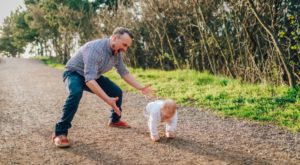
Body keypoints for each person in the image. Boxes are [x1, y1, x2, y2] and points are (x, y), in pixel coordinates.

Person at [52, 27, 154, 148]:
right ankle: (60, 133)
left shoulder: (116, 52)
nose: (125, 49)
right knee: (76, 93)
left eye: (127, 47)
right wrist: (107, 99)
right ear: (115, 38)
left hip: (93, 75)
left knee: (116, 92)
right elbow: (89, 80)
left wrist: (140, 88)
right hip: (74, 74)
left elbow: (123, 72)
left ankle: (114, 121)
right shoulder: (94, 49)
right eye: (124, 45)